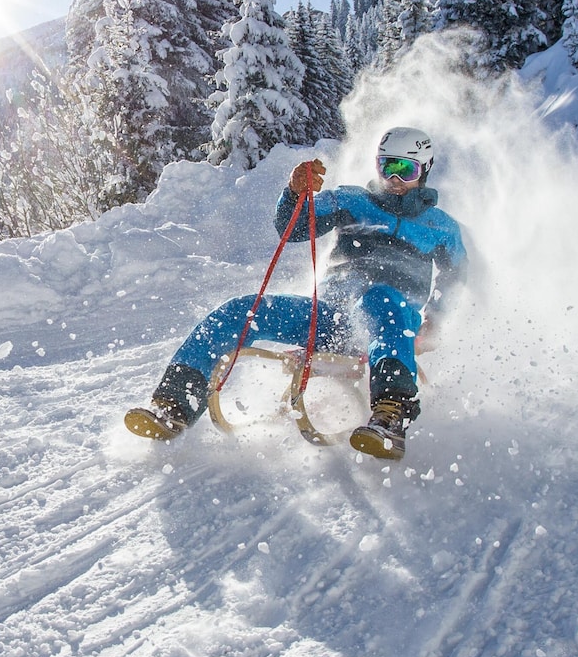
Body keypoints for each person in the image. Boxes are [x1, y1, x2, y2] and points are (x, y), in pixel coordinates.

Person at [125, 127, 468, 460]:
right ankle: (173, 406)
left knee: (381, 298)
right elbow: (295, 227)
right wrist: (294, 192)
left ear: (424, 171)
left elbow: (457, 277)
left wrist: (435, 319)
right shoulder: (352, 201)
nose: (393, 179)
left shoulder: (441, 227)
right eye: (386, 167)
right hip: (331, 316)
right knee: (243, 309)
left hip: (389, 326)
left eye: (404, 170)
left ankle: (390, 416)